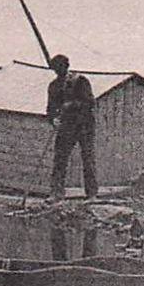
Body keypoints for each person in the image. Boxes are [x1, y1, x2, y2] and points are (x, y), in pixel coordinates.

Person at [46, 54, 97, 200]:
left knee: (88, 159)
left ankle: (92, 194)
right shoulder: (53, 86)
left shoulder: (80, 81)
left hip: (84, 126)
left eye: (60, 68)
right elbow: (50, 109)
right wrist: (53, 119)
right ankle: (56, 193)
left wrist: (71, 105)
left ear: (66, 66)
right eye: (55, 69)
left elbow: (90, 102)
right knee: (60, 159)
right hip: (66, 126)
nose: (58, 71)